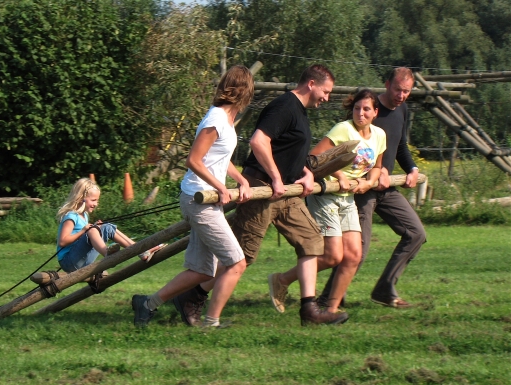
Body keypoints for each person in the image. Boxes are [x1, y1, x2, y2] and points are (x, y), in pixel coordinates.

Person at [173, 64, 349, 326]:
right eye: (326, 91)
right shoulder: (284, 106)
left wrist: (306, 172)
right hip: (263, 187)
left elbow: (287, 150)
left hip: (286, 191)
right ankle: (193, 297)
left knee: (311, 240)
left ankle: (309, 311)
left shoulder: (299, 112)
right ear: (311, 84)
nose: (327, 98)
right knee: (241, 255)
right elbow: (258, 141)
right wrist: (275, 178)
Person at [131, 65, 254, 328]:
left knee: (202, 270)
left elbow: (219, 160)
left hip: (209, 200)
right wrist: (221, 188)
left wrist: (241, 179)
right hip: (198, 200)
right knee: (237, 262)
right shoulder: (216, 119)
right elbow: (194, 161)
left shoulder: (226, 121)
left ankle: (146, 304)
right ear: (244, 92)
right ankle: (212, 321)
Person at [267, 89, 386, 315]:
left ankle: (330, 309)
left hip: (348, 199)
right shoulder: (343, 129)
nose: (360, 114)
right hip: (326, 196)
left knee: (353, 255)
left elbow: (378, 166)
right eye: (357, 108)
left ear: (375, 112)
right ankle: (282, 280)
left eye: (366, 109)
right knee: (332, 256)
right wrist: (339, 175)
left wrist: (369, 183)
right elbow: (314, 158)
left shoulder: (379, 135)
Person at [317, 67, 426, 308]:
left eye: (407, 91)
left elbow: (399, 146)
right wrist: (372, 174)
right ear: (387, 84)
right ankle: (329, 298)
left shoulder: (402, 110)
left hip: (385, 188)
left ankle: (385, 289)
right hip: (361, 190)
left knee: (416, 233)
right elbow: (351, 153)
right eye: (398, 89)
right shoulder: (369, 111)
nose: (401, 95)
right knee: (359, 251)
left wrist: (412, 169)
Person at [56, 178, 137, 273]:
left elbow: (85, 237)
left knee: (107, 227)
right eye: (93, 200)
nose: (96, 204)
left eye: (97, 201)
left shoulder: (84, 215)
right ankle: (107, 254)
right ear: (81, 198)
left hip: (81, 260)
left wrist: (95, 228)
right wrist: (84, 231)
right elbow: (62, 241)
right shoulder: (71, 216)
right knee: (92, 230)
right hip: (68, 262)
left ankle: (139, 249)